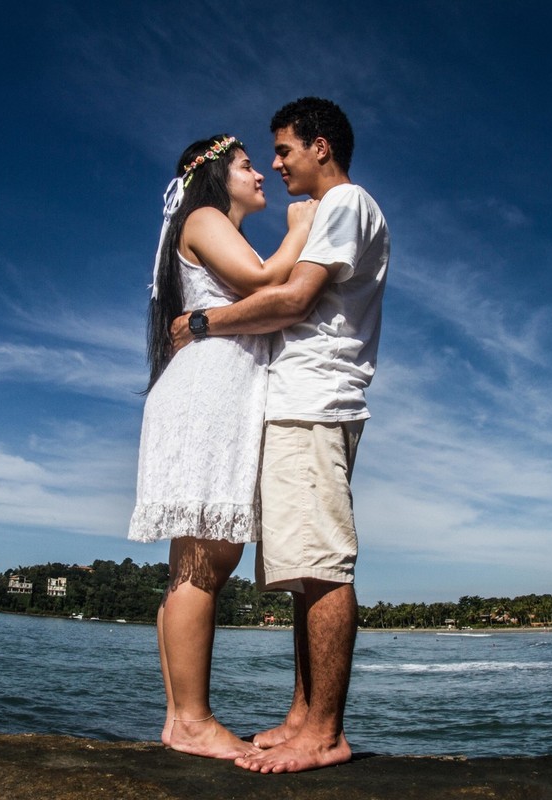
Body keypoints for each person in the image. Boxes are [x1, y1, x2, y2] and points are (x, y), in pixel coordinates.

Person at [170, 97, 390, 773]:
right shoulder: (331, 213)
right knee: (302, 570)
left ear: (320, 146)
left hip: (313, 401)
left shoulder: (346, 205)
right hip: (302, 402)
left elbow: (292, 300)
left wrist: (203, 324)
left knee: (321, 565)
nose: (275, 162)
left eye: (285, 149)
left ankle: (324, 733)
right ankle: (303, 717)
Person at [128, 133, 317, 760]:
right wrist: (302, 222)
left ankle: (182, 718)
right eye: (245, 165)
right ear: (213, 176)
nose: (261, 173)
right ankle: (191, 720)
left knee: (199, 561)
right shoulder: (204, 217)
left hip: (213, 394)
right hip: (208, 396)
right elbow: (267, 279)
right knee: (205, 562)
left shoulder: (212, 227)